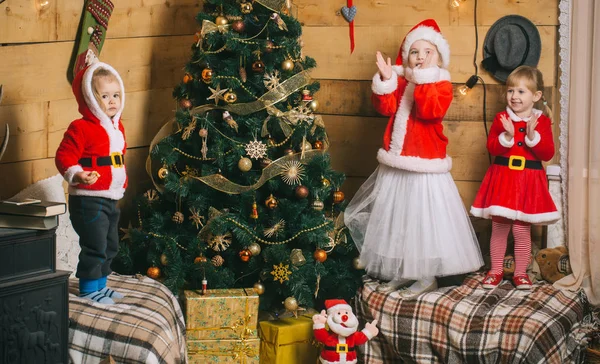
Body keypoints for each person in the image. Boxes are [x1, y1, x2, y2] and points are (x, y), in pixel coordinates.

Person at [344, 19, 484, 297]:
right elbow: (384, 108)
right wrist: (386, 79)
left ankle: (425, 276)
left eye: (426, 51)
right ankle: (402, 272)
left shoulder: (440, 84)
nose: (419, 57)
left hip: (425, 164)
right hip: (397, 162)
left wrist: (421, 78)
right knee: (397, 220)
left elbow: (430, 110)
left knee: (423, 222)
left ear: (438, 56)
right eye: (414, 52)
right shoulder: (401, 81)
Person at [471, 65, 559, 290]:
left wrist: (532, 136)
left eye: (521, 92)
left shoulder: (542, 122)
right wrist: (507, 135)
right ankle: (495, 271)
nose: (514, 96)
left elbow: (547, 153)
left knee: (521, 230)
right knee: (499, 228)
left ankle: (520, 273)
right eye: (511, 91)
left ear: (536, 96)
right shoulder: (501, 118)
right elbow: (492, 147)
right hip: (503, 180)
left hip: (528, 182)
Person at [55, 62, 127, 304]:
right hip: (88, 200)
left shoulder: (118, 129)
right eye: (104, 96)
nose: (112, 101)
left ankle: (101, 285)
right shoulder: (81, 127)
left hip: (110, 197)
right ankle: (88, 288)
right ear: (90, 98)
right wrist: (77, 174)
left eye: (116, 95)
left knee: (110, 244)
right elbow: (64, 157)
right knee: (94, 244)